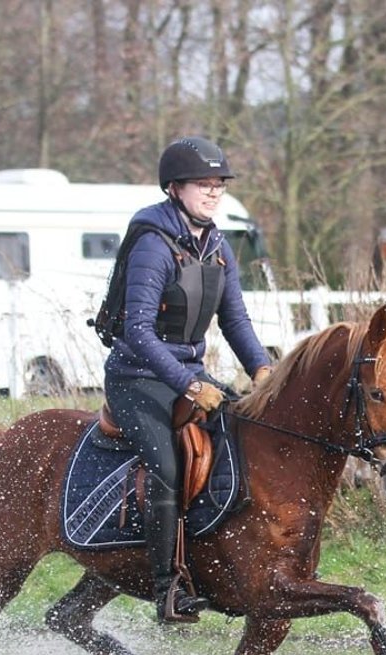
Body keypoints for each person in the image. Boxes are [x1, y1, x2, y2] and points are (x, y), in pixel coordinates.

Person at [104, 136, 273, 623]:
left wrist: (261, 369)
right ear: (175, 188)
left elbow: (235, 321)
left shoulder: (217, 246)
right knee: (168, 466)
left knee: (243, 442)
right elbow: (136, 330)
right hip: (137, 377)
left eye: (219, 184)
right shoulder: (153, 245)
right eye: (205, 184)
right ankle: (168, 589)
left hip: (188, 375)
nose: (214, 192)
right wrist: (186, 382)